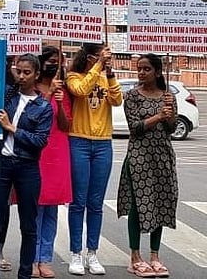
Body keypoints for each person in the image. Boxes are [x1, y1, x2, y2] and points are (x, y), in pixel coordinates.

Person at [0, 54, 53, 279]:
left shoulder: (43, 106)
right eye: (18, 71)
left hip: (27, 167)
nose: (21, 76)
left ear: (36, 75)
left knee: (28, 225)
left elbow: (39, 141)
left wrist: (11, 127)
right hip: (0, 162)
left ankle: (25, 273)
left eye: (27, 72)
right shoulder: (6, 96)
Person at [116, 54, 178, 278]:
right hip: (139, 156)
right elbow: (135, 128)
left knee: (160, 203)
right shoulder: (132, 96)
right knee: (138, 203)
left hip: (163, 155)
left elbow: (171, 128)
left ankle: (155, 255)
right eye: (139, 69)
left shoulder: (168, 96)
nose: (141, 73)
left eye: (146, 69)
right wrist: (158, 116)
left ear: (158, 72)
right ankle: (135, 257)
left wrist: (169, 114)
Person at [65, 43, 123, 275]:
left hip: (102, 143)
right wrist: (99, 66)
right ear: (89, 57)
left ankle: (93, 252)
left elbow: (117, 100)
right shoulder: (73, 76)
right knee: (78, 201)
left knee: (96, 203)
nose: (105, 60)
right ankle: (76, 253)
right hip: (78, 140)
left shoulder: (104, 77)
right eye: (100, 57)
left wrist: (109, 74)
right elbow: (79, 90)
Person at [33, 46, 73, 278]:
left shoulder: (64, 92)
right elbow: (32, 118)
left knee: (51, 210)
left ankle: (45, 259)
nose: (53, 65)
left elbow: (66, 126)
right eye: (49, 61)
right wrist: (48, 96)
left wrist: (59, 99)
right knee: (35, 208)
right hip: (37, 152)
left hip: (58, 153)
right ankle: (31, 257)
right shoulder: (32, 90)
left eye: (57, 61)